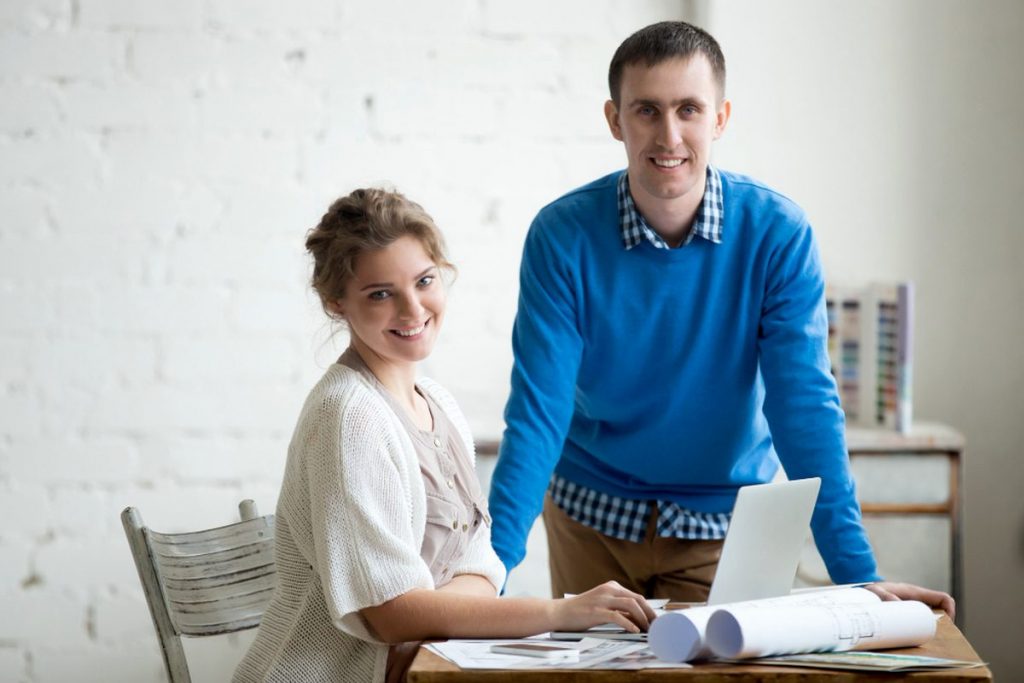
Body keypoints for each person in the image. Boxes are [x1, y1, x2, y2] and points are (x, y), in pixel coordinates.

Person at [487, 21, 954, 616]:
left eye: (689, 109)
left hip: (726, 529)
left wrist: (857, 574)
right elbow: (538, 414)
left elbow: (803, 404)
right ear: (614, 120)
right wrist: (488, 577)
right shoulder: (562, 235)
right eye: (647, 111)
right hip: (590, 519)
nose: (669, 134)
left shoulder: (777, 234)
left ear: (721, 117)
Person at [233, 188, 657, 683]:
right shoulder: (350, 418)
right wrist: (557, 613)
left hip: (428, 667)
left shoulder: (438, 404)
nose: (413, 310)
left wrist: (433, 609)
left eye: (424, 281)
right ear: (336, 304)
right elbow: (391, 616)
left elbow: (481, 561)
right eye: (380, 293)